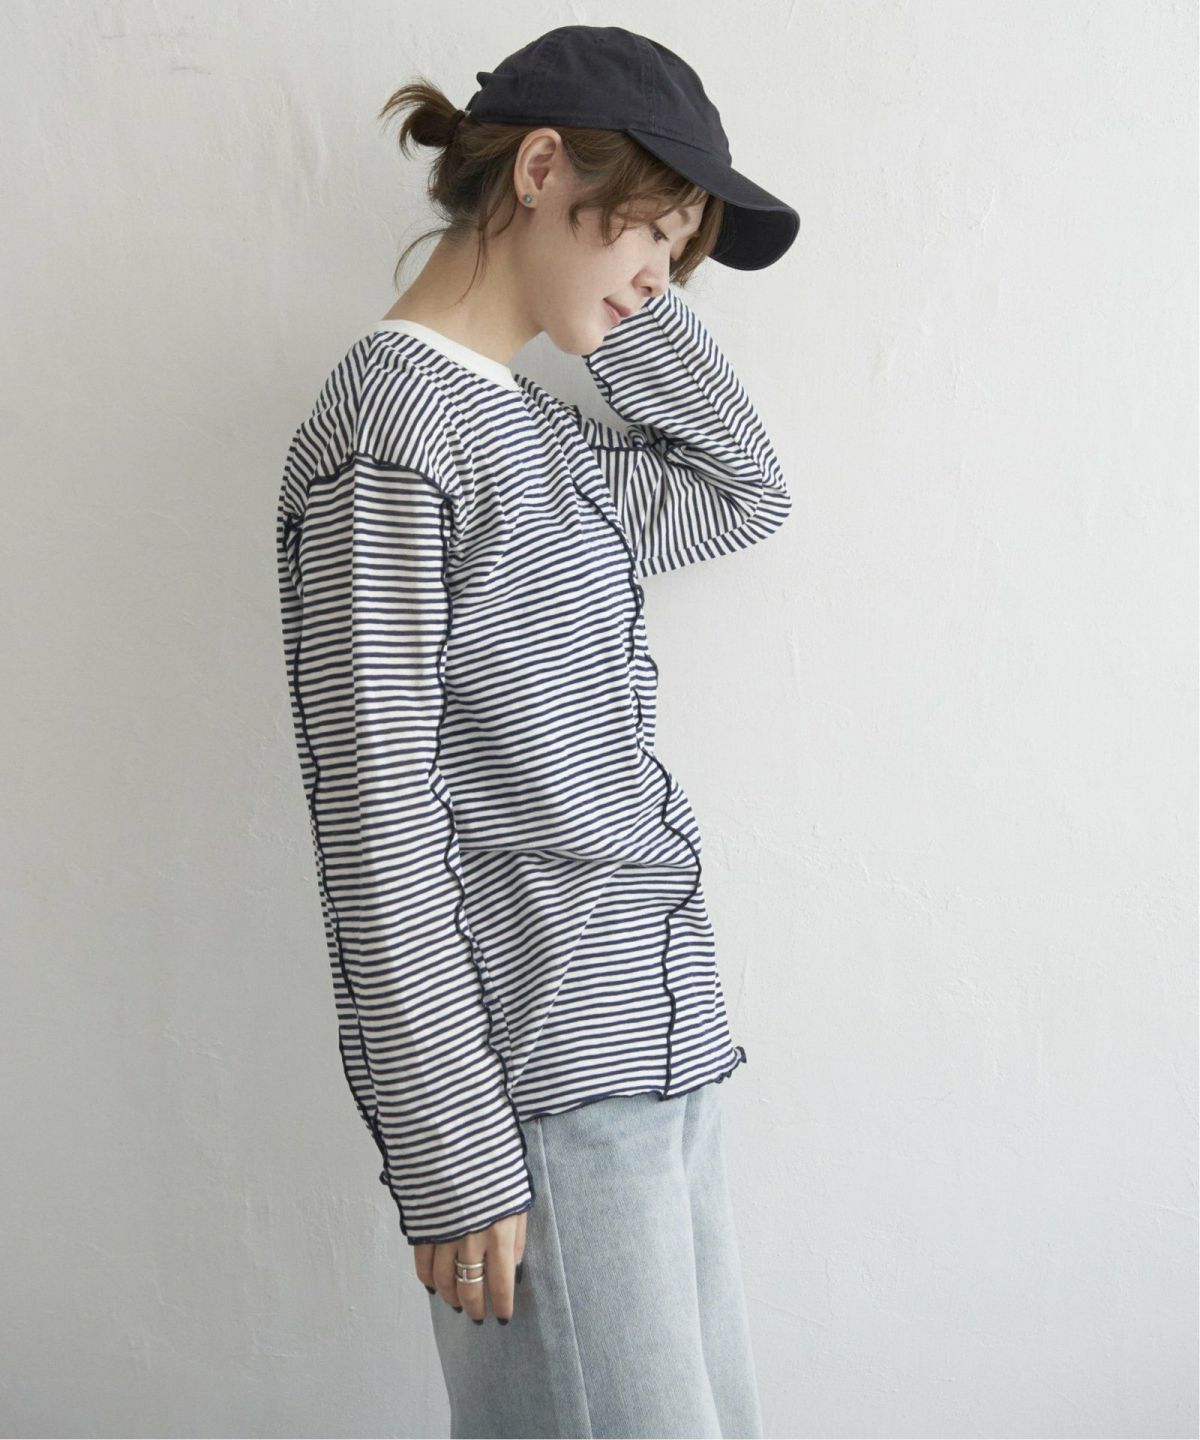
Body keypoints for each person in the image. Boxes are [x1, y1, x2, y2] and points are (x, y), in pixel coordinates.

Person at [275, 24, 800, 1439]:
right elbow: (375, 817)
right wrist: (449, 1145)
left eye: (684, 250)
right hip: (536, 1087)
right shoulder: (391, 429)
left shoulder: (547, 441)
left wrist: (637, 293)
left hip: (660, 1055)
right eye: (653, 228)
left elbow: (743, 489)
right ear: (542, 165)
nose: (663, 273)